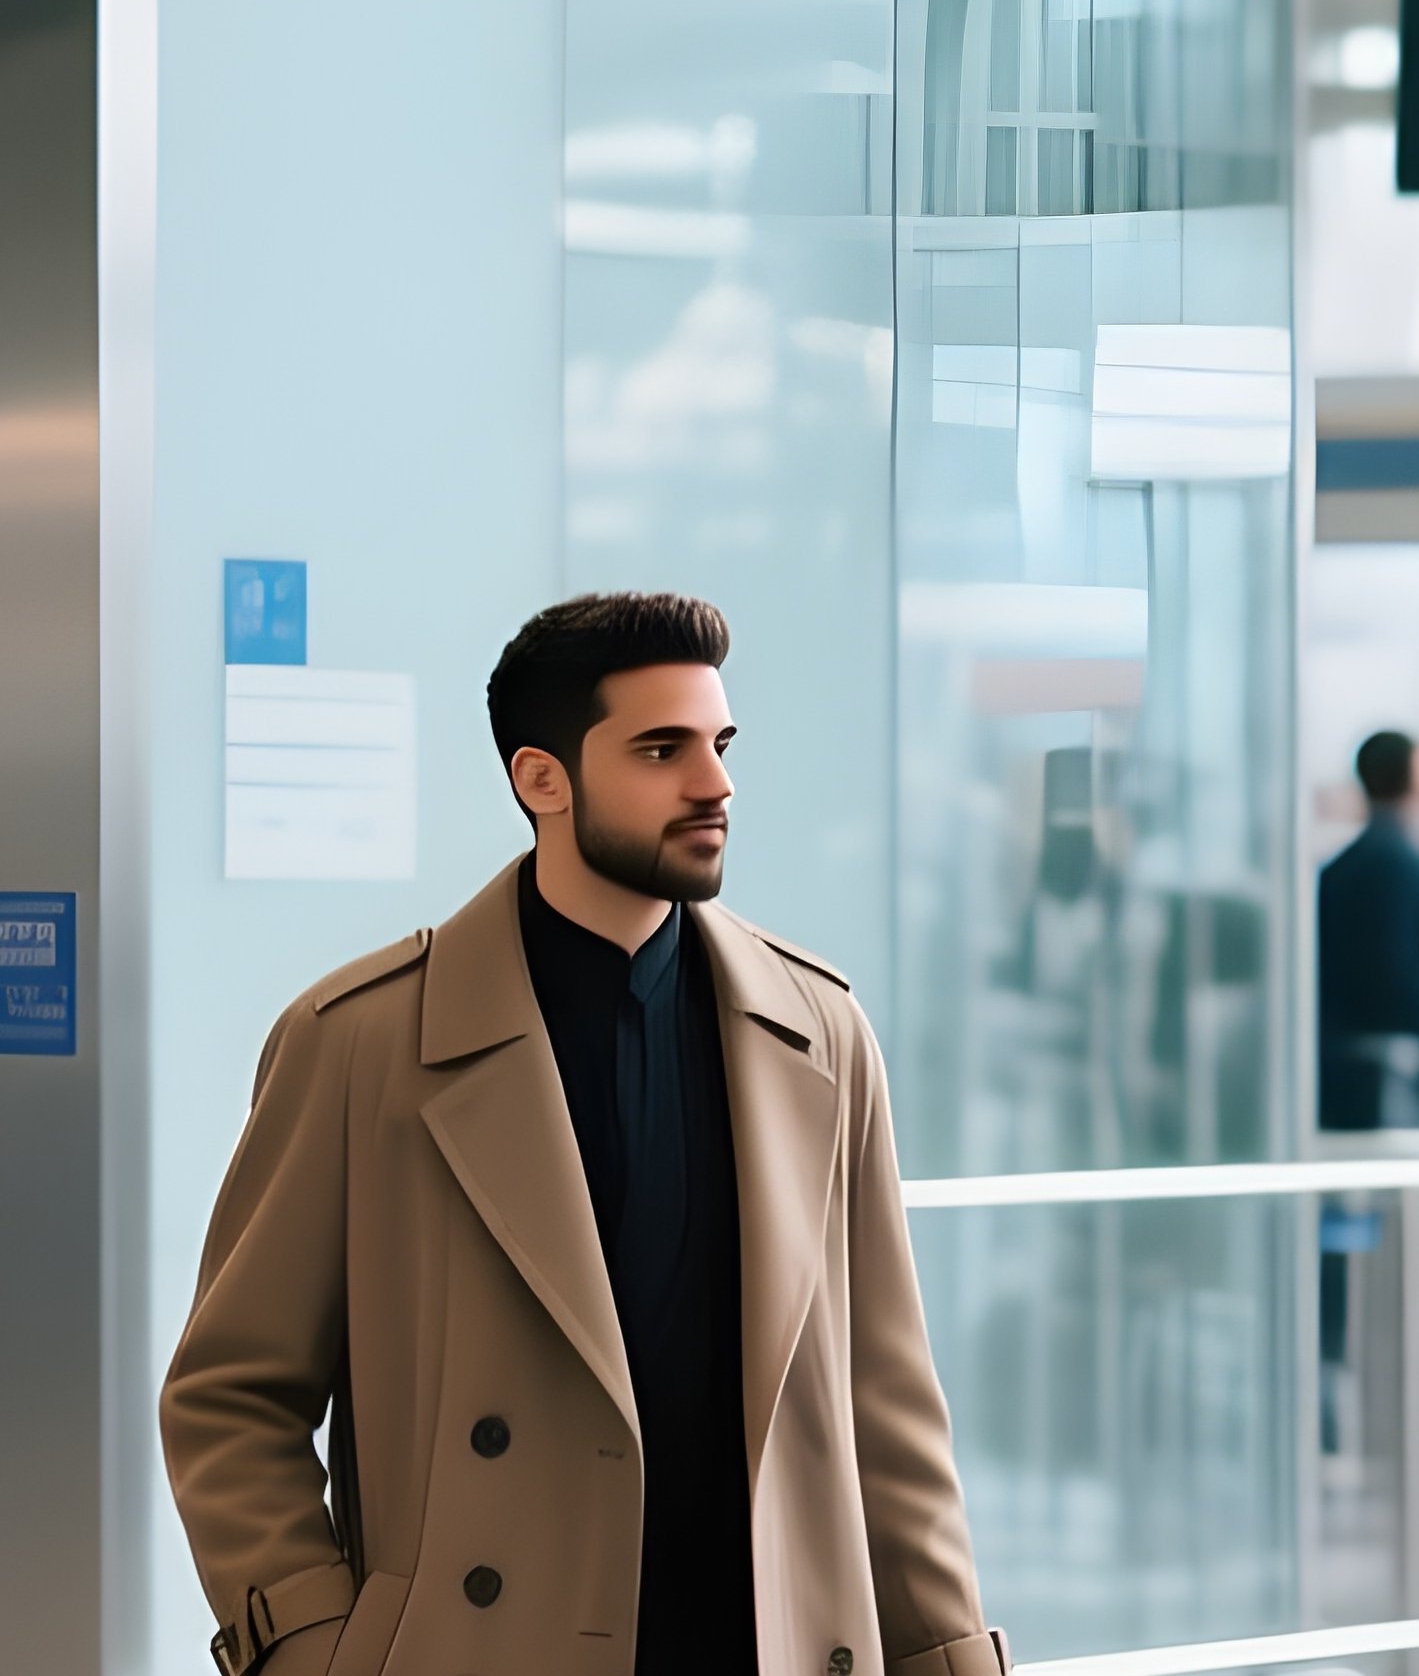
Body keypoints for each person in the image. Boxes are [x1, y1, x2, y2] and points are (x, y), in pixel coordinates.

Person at [161, 593, 1009, 1676]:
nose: (716, 784)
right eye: (663, 750)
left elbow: (887, 1416)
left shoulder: (821, 1034)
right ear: (541, 779)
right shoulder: (362, 1045)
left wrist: (948, 1656)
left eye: (720, 743)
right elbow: (230, 1398)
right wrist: (320, 1649)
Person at [1319, 730, 1419, 1130]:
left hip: (1354, 1063)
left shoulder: (1348, 865)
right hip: (1396, 1071)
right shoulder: (1399, 862)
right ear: (1414, 776)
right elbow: (1397, 975)